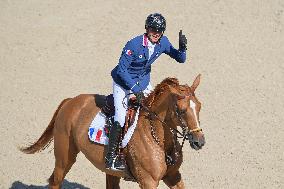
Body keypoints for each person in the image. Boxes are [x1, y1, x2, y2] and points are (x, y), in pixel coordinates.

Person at [105, 13, 188, 170]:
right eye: (153, 29)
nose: (156, 33)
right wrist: (135, 90)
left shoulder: (162, 42)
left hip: (143, 82)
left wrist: (183, 48)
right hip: (123, 84)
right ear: (146, 28)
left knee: (155, 110)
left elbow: (180, 58)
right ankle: (111, 157)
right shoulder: (133, 45)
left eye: (159, 30)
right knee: (121, 118)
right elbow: (122, 71)